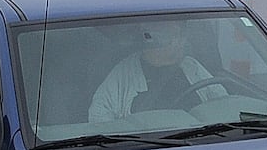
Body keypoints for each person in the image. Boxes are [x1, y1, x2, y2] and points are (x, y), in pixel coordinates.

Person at [89, 21, 224, 122]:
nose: (180, 42)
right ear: (151, 40)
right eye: (171, 36)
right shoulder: (123, 75)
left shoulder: (192, 66)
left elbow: (222, 103)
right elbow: (99, 121)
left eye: (182, 35)